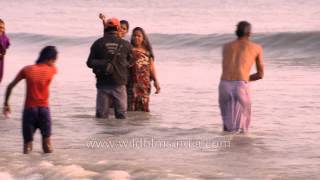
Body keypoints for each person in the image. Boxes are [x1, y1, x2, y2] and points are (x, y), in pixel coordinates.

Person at [3, 46, 58, 154]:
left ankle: (26, 169)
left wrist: (6, 103)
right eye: (54, 59)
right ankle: (50, 167)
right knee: (47, 143)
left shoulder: (27, 69)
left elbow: (10, 86)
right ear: (50, 59)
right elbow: (51, 68)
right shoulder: (52, 70)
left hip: (29, 110)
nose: (55, 62)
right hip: (44, 110)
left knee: (27, 144)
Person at [219, 21, 264, 133]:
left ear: (236, 32)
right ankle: (242, 149)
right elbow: (260, 75)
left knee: (226, 124)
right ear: (249, 33)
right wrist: (244, 78)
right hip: (241, 86)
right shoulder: (256, 48)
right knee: (244, 127)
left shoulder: (226, 47)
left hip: (224, 85)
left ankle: (226, 148)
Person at [87, 18, 132, 119]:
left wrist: (102, 64)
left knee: (101, 117)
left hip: (102, 84)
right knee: (121, 116)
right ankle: (120, 134)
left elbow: (89, 63)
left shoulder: (97, 43)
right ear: (118, 28)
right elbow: (131, 61)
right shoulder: (125, 44)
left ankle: (103, 134)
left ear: (106, 28)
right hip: (119, 83)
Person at [127, 27, 160, 112]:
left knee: (144, 107)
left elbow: (151, 68)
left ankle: (143, 125)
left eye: (139, 36)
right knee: (131, 108)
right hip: (131, 83)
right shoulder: (128, 50)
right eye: (134, 35)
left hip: (144, 84)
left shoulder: (147, 52)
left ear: (143, 38)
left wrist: (156, 81)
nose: (136, 37)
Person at [0, 19, 11, 83]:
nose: (1, 29)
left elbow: (6, 45)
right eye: (0, 27)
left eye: (3, 28)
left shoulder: (5, 37)